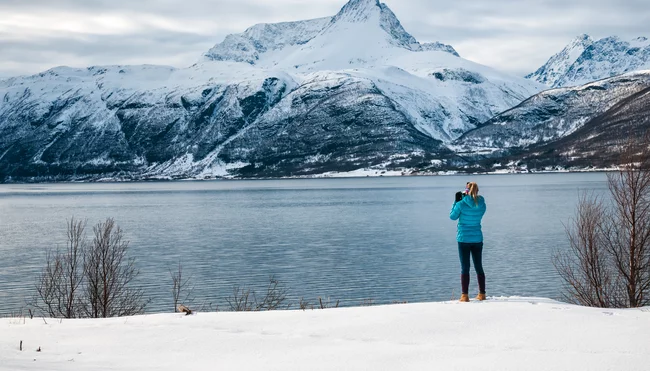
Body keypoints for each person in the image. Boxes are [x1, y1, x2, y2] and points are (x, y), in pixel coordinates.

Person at [450, 181, 487, 302]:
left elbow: (452, 217)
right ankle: (482, 294)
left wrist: (456, 201)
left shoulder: (461, 204)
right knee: (479, 266)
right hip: (477, 238)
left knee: (465, 267)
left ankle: (464, 296)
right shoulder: (482, 204)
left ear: (466, 191)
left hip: (464, 238)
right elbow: (478, 213)